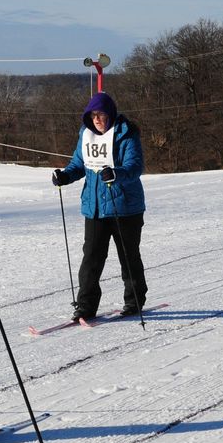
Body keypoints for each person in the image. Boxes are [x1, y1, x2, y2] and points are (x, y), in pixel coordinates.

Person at [51, 91, 147, 321]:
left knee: (128, 256)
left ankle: (134, 301)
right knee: (91, 258)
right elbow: (78, 164)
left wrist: (116, 173)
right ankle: (85, 306)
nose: (96, 120)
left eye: (101, 115)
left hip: (125, 207)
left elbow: (135, 166)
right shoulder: (86, 135)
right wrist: (65, 176)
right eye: (92, 115)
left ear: (110, 115)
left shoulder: (126, 134)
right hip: (94, 207)